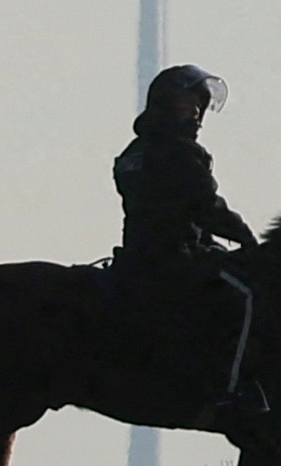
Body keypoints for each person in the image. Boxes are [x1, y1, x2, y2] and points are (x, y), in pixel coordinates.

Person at [113, 65, 267, 431]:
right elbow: (205, 206)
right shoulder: (181, 154)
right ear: (165, 106)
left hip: (139, 253)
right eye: (187, 105)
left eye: (199, 106)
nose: (196, 113)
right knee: (247, 297)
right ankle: (229, 390)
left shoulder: (136, 151)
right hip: (175, 257)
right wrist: (247, 239)